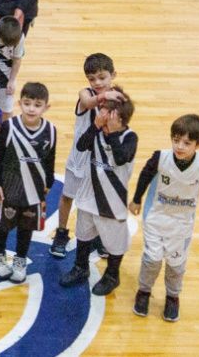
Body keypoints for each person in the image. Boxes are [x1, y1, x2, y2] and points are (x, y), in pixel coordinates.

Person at [131, 114, 199, 322]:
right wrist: (137, 199)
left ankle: (173, 297)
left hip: (182, 222)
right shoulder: (161, 157)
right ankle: (144, 291)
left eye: (187, 143)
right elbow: (145, 175)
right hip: (156, 217)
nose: (180, 146)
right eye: (176, 140)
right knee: (152, 259)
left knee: (176, 264)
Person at [59, 92, 137, 296]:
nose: (101, 115)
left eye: (106, 112)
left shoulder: (129, 137)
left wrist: (112, 133)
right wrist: (95, 126)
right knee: (83, 234)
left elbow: (120, 158)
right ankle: (80, 267)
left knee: (115, 243)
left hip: (112, 201)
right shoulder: (97, 131)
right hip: (89, 194)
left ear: (120, 117)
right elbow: (81, 145)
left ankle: (112, 276)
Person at [51, 53, 124, 257]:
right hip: (80, 157)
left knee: (99, 200)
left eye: (102, 77)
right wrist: (103, 97)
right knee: (68, 196)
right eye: (92, 79)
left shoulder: (119, 100)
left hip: (102, 159)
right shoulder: (86, 94)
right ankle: (61, 232)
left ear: (113, 75)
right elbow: (89, 102)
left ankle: (97, 235)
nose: (97, 83)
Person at [0, 82, 56, 283]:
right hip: (8, 189)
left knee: (26, 228)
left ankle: (20, 260)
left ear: (46, 107)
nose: (31, 109)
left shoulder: (51, 131)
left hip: (33, 191)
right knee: (2, 226)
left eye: (37, 105)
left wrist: (49, 183)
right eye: (27, 103)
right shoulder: (8, 126)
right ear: (19, 103)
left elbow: (50, 160)